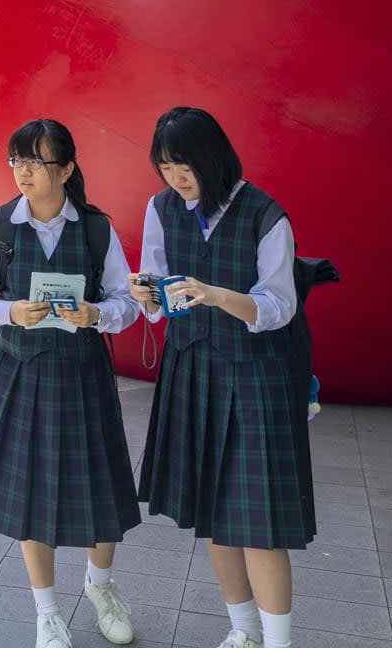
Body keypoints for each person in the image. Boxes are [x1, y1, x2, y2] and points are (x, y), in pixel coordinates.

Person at [132, 107, 315, 648]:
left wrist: (215, 294)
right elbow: (158, 300)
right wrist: (148, 297)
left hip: (256, 377)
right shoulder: (161, 208)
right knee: (210, 515)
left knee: (259, 526)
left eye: (184, 167)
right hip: (191, 370)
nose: (175, 180)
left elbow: (279, 306)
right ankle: (244, 632)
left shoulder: (264, 214)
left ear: (213, 157)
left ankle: (278, 643)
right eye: (165, 168)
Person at [0, 117, 141, 648]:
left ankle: (100, 587)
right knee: (30, 492)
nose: (23, 172)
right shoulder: (0, 227)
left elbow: (125, 304)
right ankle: (47, 612)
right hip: (20, 374)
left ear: (67, 169)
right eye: (17, 160)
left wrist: (96, 315)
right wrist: (10, 311)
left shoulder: (96, 228)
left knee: (101, 487)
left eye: (36, 161)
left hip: (83, 376)